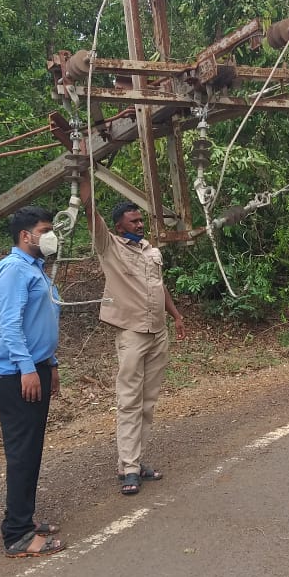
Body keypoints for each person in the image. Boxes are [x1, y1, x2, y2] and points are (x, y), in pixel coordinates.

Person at [79, 173, 186, 496]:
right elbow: (90, 211)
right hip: (132, 334)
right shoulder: (109, 247)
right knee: (129, 401)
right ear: (119, 226)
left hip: (158, 332)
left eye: (141, 220)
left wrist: (176, 316)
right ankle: (128, 468)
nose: (140, 224)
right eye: (134, 221)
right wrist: (84, 176)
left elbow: (158, 285)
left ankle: (136, 462)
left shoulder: (149, 250)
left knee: (147, 402)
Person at [0, 206, 65, 557]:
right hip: (18, 373)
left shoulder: (36, 269)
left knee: (31, 450)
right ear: (25, 236)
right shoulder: (14, 270)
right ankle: (17, 535)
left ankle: (24, 518)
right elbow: (11, 326)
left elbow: (41, 323)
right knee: (22, 452)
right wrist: (28, 369)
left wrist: (51, 363)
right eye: (46, 229)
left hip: (37, 366)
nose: (51, 235)